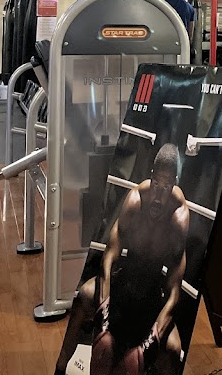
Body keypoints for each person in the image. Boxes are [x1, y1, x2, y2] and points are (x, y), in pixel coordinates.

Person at [58, 144, 189, 375]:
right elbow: (109, 258)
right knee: (83, 297)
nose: (158, 198)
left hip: (152, 294)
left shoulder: (178, 219)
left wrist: (152, 340)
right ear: (151, 177)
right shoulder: (136, 201)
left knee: (173, 350)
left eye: (166, 187)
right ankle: (60, 368)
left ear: (174, 184)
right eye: (156, 185)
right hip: (123, 282)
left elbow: (174, 293)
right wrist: (103, 311)